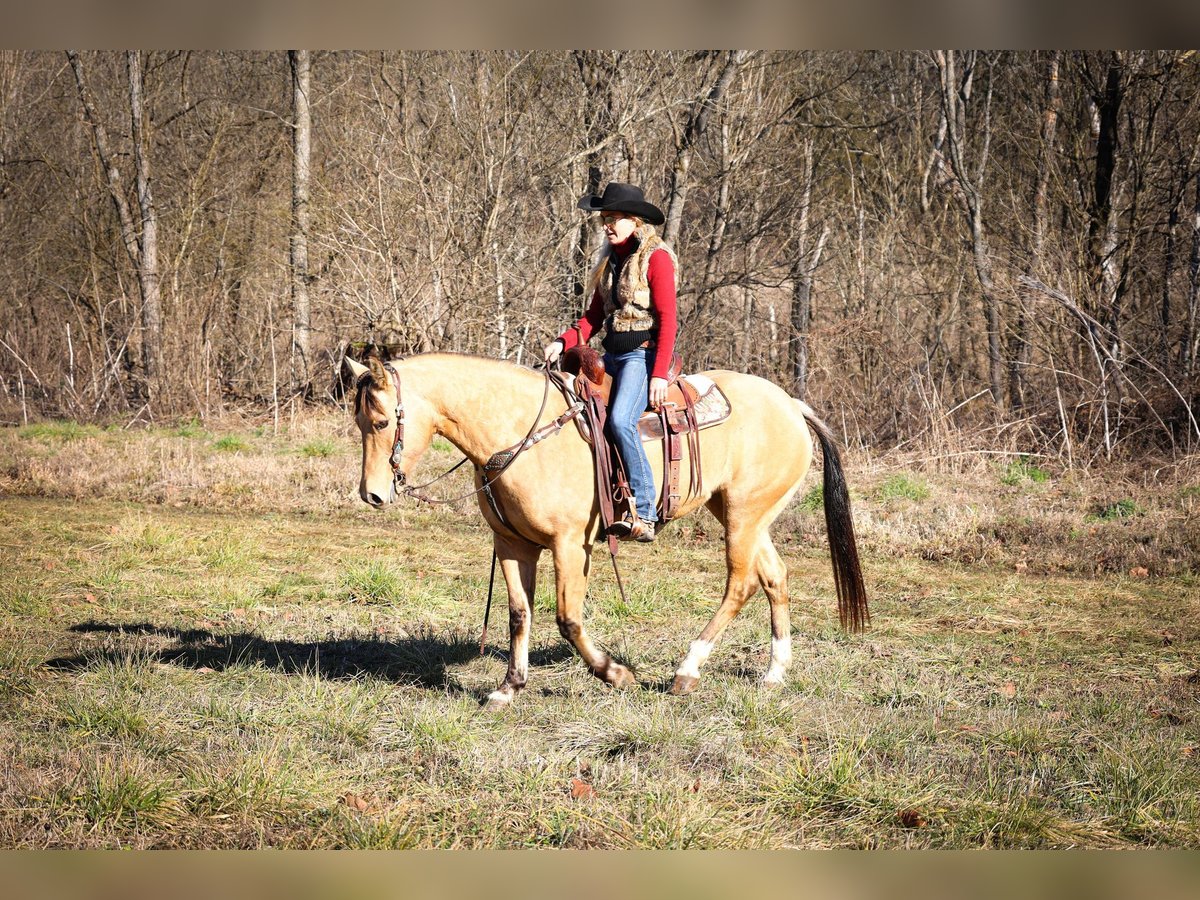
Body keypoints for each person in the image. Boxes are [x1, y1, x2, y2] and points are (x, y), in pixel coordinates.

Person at [544, 182, 679, 543]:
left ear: (635, 221)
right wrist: (563, 341)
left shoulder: (657, 259)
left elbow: (668, 320)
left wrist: (659, 373)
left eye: (615, 218)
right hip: (611, 356)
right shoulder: (609, 262)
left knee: (621, 421)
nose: (607, 224)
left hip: (641, 355)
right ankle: (596, 503)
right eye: (605, 218)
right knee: (576, 414)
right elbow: (592, 317)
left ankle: (646, 511)